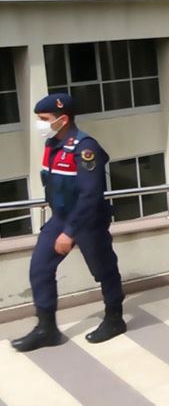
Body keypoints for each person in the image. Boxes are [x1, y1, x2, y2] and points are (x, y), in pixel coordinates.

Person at [12, 94, 126, 352]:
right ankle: (47, 329)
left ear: (63, 119)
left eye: (44, 119)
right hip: (59, 218)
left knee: (104, 270)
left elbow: (90, 195)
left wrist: (70, 232)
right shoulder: (52, 145)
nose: (40, 124)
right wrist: (60, 225)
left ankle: (115, 318)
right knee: (40, 268)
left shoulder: (85, 148)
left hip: (87, 221)